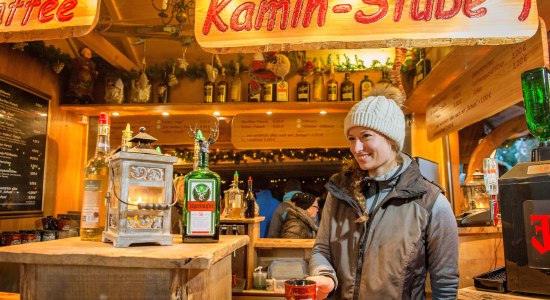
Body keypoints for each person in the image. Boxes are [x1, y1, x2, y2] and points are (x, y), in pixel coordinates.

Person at [307, 84, 459, 299]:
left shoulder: (430, 202)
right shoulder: (340, 192)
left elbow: (445, 281)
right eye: (351, 138)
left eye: (366, 136)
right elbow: (322, 249)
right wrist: (324, 275)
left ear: (391, 138)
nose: (356, 148)